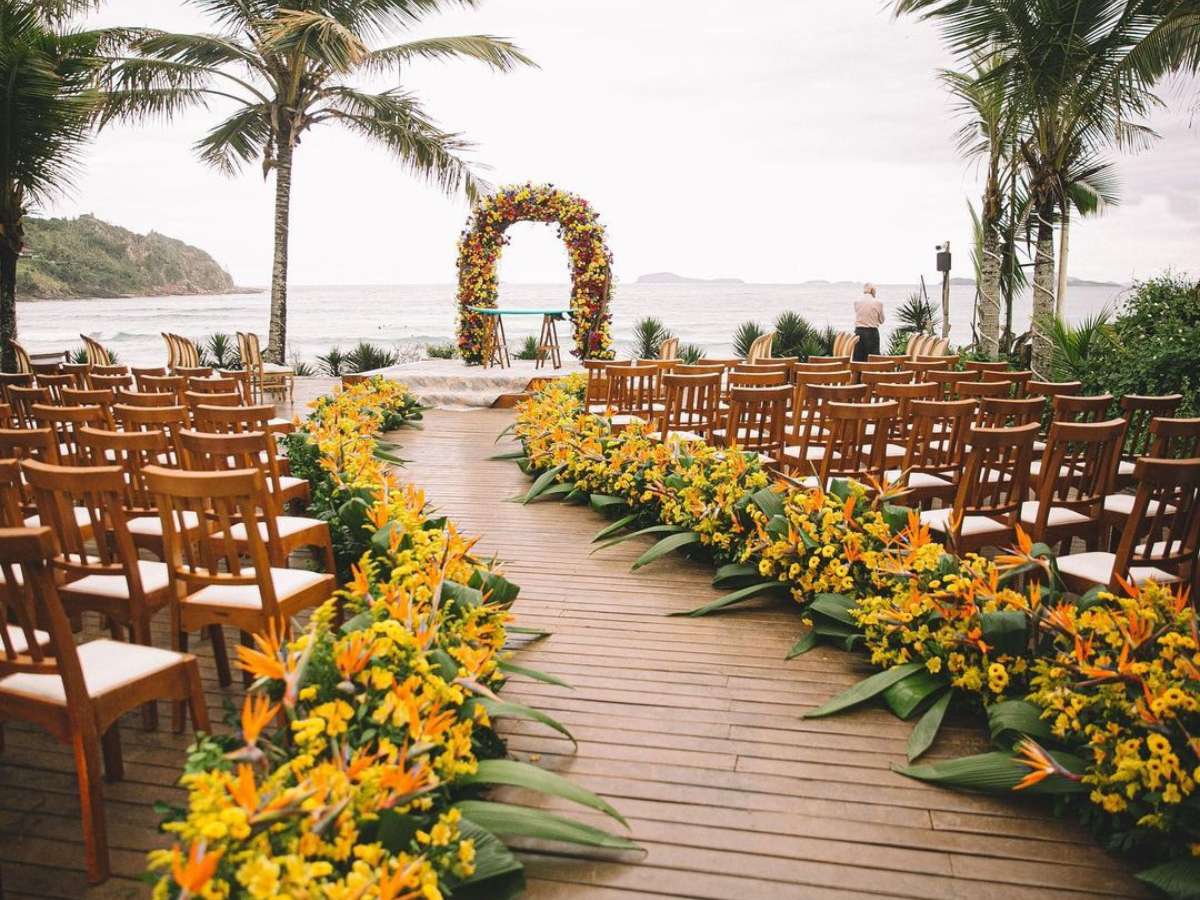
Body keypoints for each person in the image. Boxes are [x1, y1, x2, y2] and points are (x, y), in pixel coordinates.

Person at [853, 283, 884, 361]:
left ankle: (859, 373)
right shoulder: (878, 303)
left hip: (859, 332)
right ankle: (871, 373)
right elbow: (882, 320)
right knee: (873, 358)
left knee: (858, 358)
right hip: (872, 333)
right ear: (872, 290)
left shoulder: (856, 302)